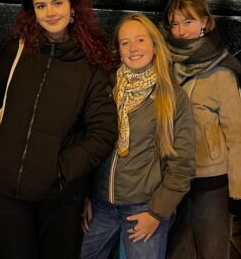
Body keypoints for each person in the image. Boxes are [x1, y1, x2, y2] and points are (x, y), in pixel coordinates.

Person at [0, 0, 118, 259]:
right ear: (33, 13)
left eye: (57, 3)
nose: (50, 12)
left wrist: (61, 169)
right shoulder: (16, 52)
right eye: (41, 6)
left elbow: (102, 132)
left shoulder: (91, 65)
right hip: (6, 190)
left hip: (59, 196)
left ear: (73, 8)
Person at [80, 13, 196, 259]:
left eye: (140, 40)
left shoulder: (172, 97)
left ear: (154, 45)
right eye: (125, 42)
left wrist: (157, 213)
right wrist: (85, 195)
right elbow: (89, 144)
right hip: (101, 203)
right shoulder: (106, 88)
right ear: (119, 50)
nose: (133, 48)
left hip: (145, 205)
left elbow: (182, 164)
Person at [162, 0, 241, 259]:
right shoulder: (165, 64)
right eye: (175, 23)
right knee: (176, 250)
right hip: (171, 172)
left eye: (188, 22)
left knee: (211, 249)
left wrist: (240, 191)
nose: (181, 31)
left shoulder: (222, 71)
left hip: (209, 176)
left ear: (204, 22)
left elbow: (235, 133)